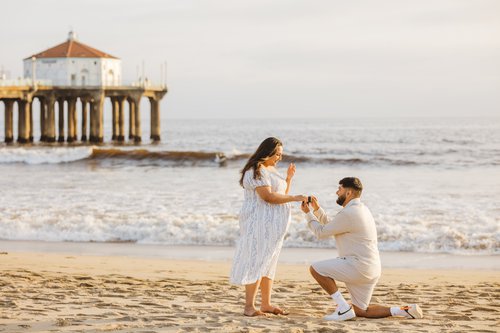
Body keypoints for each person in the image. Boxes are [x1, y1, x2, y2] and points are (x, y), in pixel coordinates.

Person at [300, 177, 423, 321]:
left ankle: (343, 308)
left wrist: (308, 214)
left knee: (316, 269)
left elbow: (321, 232)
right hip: (371, 268)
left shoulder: (349, 213)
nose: (336, 192)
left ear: (348, 192)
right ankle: (404, 311)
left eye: (339, 189)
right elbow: (333, 226)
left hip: (358, 266)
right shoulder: (361, 209)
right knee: (361, 311)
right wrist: (316, 209)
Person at [230, 137, 307, 317]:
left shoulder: (270, 169)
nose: (280, 157)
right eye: (277, 154)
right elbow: (268, 197)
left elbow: (281, 194)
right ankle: (249, 306)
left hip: (274, 225)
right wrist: (296, 198)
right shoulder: (256, 170)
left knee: (269, 262)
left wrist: (288, 179)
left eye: (281, 154)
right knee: (257, 261)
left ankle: (266, 303)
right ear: (267, 152)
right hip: (259, 223)